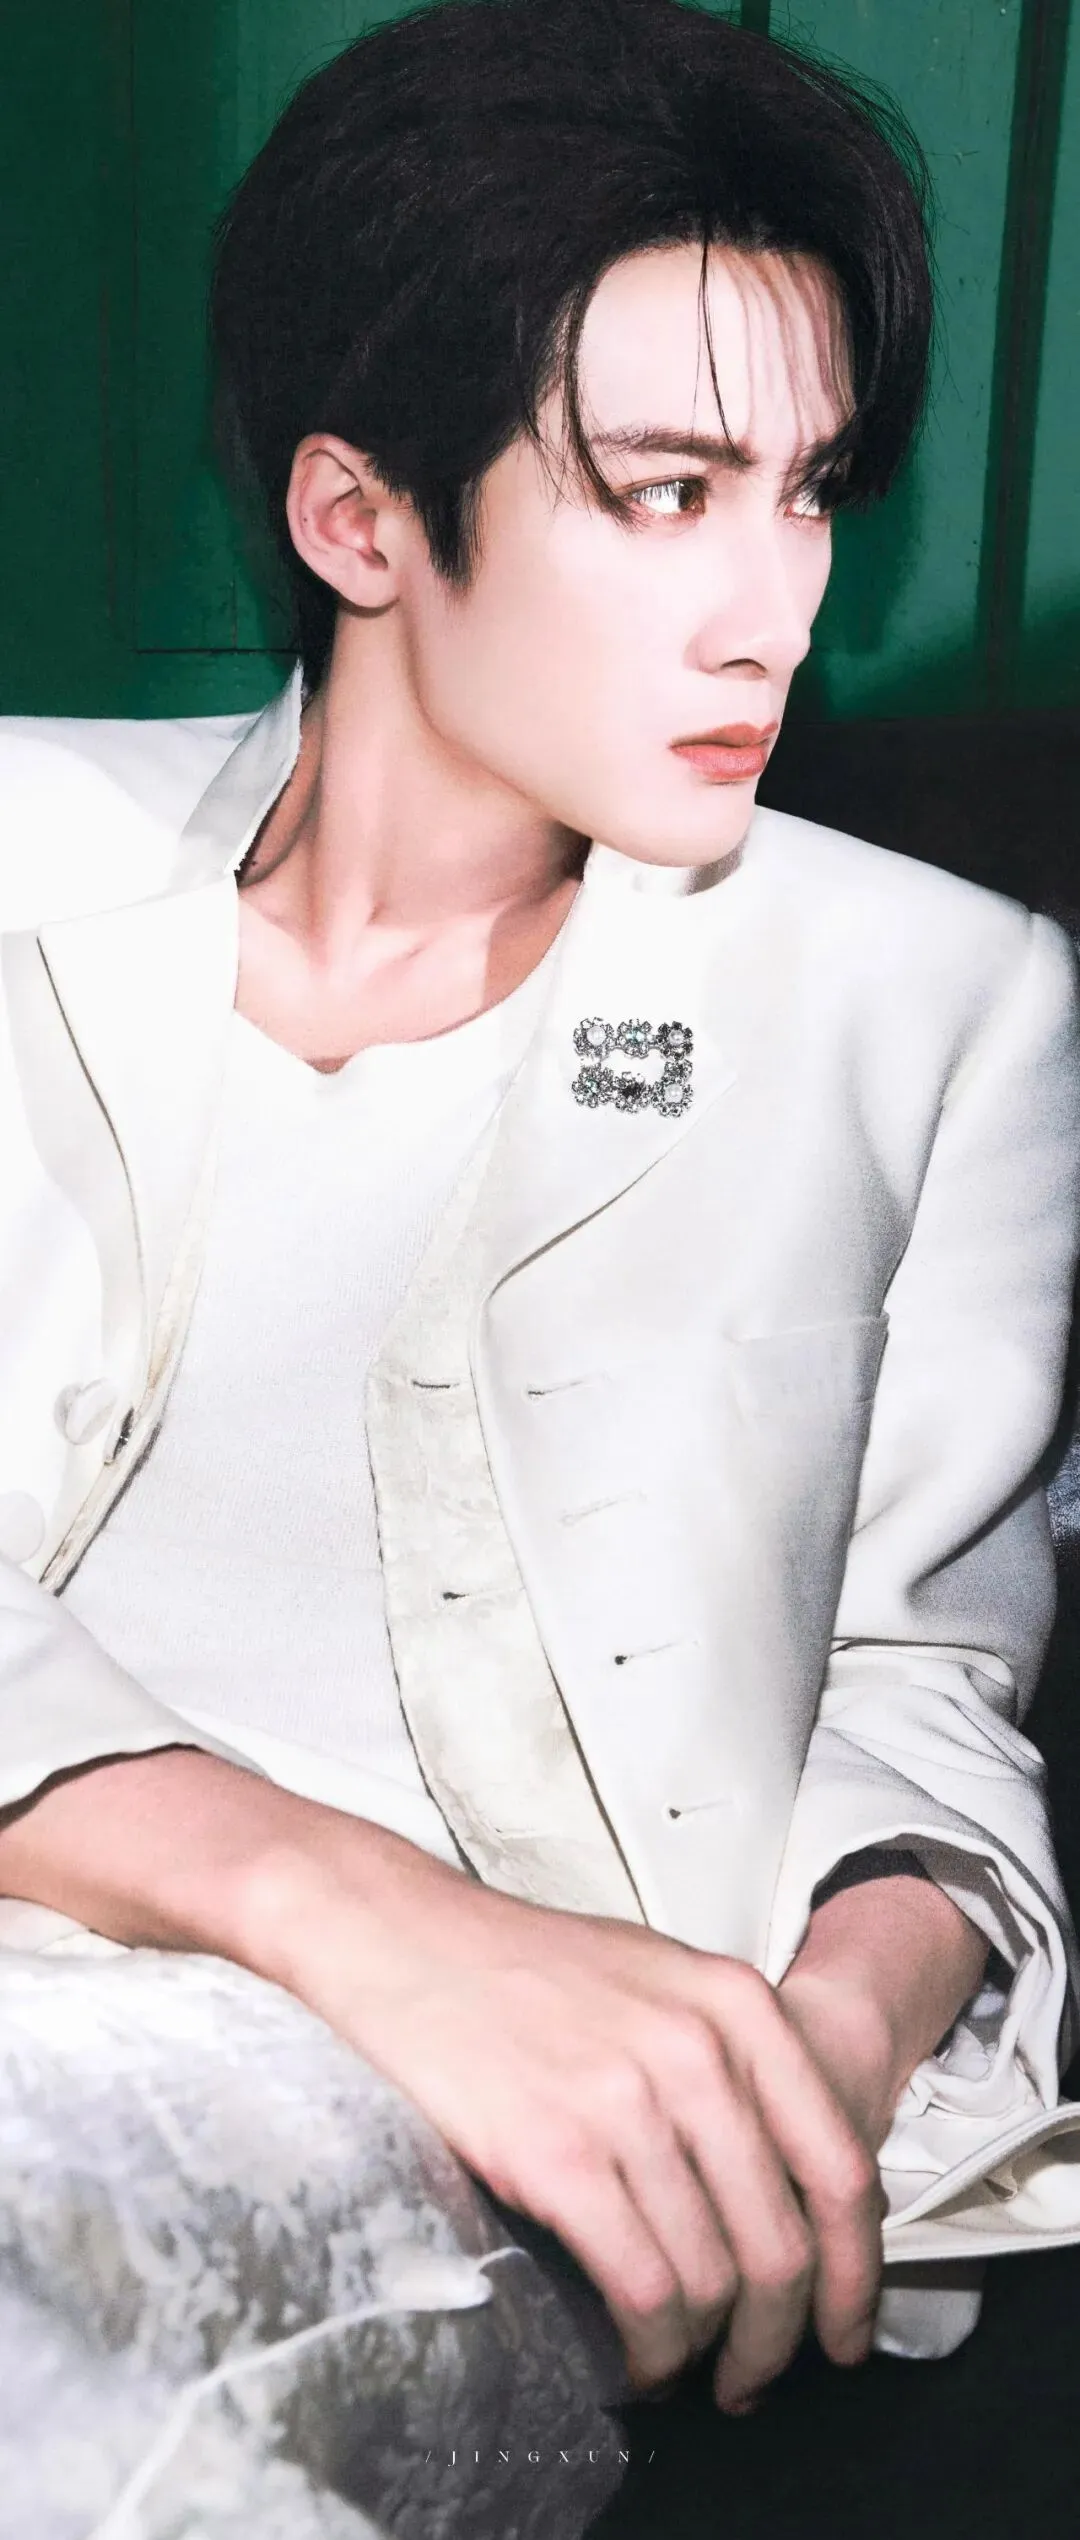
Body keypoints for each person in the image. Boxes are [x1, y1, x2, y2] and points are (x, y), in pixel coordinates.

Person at [1, 0, 1079, 2430]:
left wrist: (808, 2053)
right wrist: (331, 1897)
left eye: (811, 489)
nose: (774, 606)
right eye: (668, 493)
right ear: (359, 519)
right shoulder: (14, 865)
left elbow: (925, 1691)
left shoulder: (936, 1004)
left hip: (466, 2138)